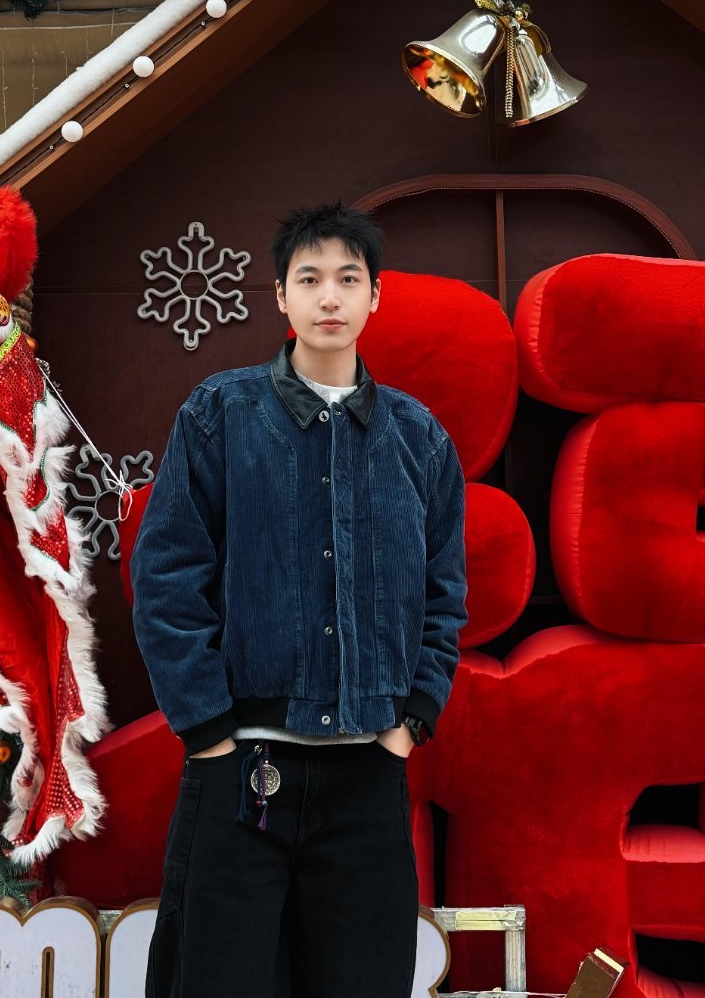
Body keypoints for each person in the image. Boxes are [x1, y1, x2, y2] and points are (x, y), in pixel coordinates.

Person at [131, 201, 467, 998]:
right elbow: (167, 578)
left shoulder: (419, 438)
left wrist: (410, 723)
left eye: (348, 279)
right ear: (280, 295)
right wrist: (208, 734)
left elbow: (444, 591)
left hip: (368, 774)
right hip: (240, 771)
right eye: (309, 279)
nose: (329, 297)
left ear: (375, 295)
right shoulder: (219, 415)